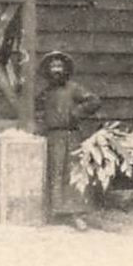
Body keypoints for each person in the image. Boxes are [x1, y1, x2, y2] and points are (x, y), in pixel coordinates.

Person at [36, 49, 100, 226]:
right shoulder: (45, 92)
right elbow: (38, 110)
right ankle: (56, 212)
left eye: (59, 66)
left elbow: (94, 100)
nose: (56, 70)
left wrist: (77, 112)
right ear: (48, 70)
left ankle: (76, 215)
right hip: (52, 137)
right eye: (53, 66)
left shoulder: (74, 88)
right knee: (54, 172)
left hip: (71, 135)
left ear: (65, 69)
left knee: (72, 173)